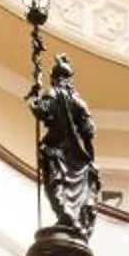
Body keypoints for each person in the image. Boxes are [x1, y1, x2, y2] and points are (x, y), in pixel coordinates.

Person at [33, 52, 100, 240]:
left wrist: (34, 98)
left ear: (55, 78)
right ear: (69, 80)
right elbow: (89, 132)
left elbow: (42, 111)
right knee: (62, 190)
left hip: (55, 154)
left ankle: (68, 218)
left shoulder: (53, 93)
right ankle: (71, 220)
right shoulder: (79, 103)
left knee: (55, 188)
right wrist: (89, 159)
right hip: (76, 160)